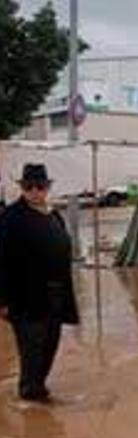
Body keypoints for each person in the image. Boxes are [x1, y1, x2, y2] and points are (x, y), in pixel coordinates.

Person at [0, 163, 79, 402]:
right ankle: (29, 395)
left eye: (40, 186)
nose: (35, 191)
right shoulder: (10, 218)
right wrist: (2, 300)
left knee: (50, 345)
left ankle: (39, 389)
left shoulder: (54, 215)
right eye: (29, 186)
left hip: (55, 295)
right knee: (32, 349)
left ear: (48, 187)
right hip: (25, 298)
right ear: (22, 188)